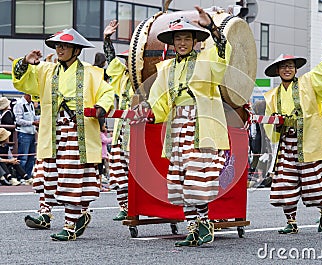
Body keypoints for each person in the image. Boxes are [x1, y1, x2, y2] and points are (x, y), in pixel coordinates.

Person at [138, 6, 231, 247]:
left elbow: (223, 56)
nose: (182, 43)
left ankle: (204, 223)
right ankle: (192, 228)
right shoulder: (166, 68)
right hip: (178, 124)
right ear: (171, 42)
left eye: (186, 38)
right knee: (181, 178)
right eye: (178, 38)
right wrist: (149, 110)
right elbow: (158, 98)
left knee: (195, 177)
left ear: (195, 41)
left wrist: (212, 28)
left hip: (201, 124)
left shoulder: (207, 60)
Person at [12, 28, 114, 241]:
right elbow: (23, 82)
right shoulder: (46, 70)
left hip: (77, 132)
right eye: (58, 45)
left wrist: (101, 108)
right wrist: (25, 62)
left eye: (65, 46)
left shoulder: (91, 72)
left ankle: (72, 223)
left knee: (72, 177)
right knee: (46, 174)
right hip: (53, 131)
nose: (60, 49)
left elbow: (106, 93)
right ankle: (46, 213)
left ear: (76, 50)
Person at [263, 36, 322, 234]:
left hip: (308, 141)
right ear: (277, 71)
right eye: (283, 67)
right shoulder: (271, 96)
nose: (287, 69)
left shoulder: (308, 82)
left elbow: (321, 73)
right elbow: (269, 122)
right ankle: (291, 222)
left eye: (290, 66)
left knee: (313, 182)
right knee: (284, 182)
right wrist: (276, 123)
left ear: (295, 69)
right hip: (287, 143)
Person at [103, 20, 135, 221]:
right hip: (119, 133)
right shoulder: (122, 77)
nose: (128, 65)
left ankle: (137, 206)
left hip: (137, 135)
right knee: (117, 173)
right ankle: (124, 206)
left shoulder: (148, 79)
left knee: (135, 173)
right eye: (127, 61)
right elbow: (110, 59)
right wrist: (107, 39)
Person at [13, 93, 39, 182]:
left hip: (31, 133)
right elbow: (18, 120)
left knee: (31, 158)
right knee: (23, 158)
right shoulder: (19, 104)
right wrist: (32, 123)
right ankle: (21, 177)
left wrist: (38, 119)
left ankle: (27, 177)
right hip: (23, 133)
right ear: (28, 95)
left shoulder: (30, 104)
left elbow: (33, 117)